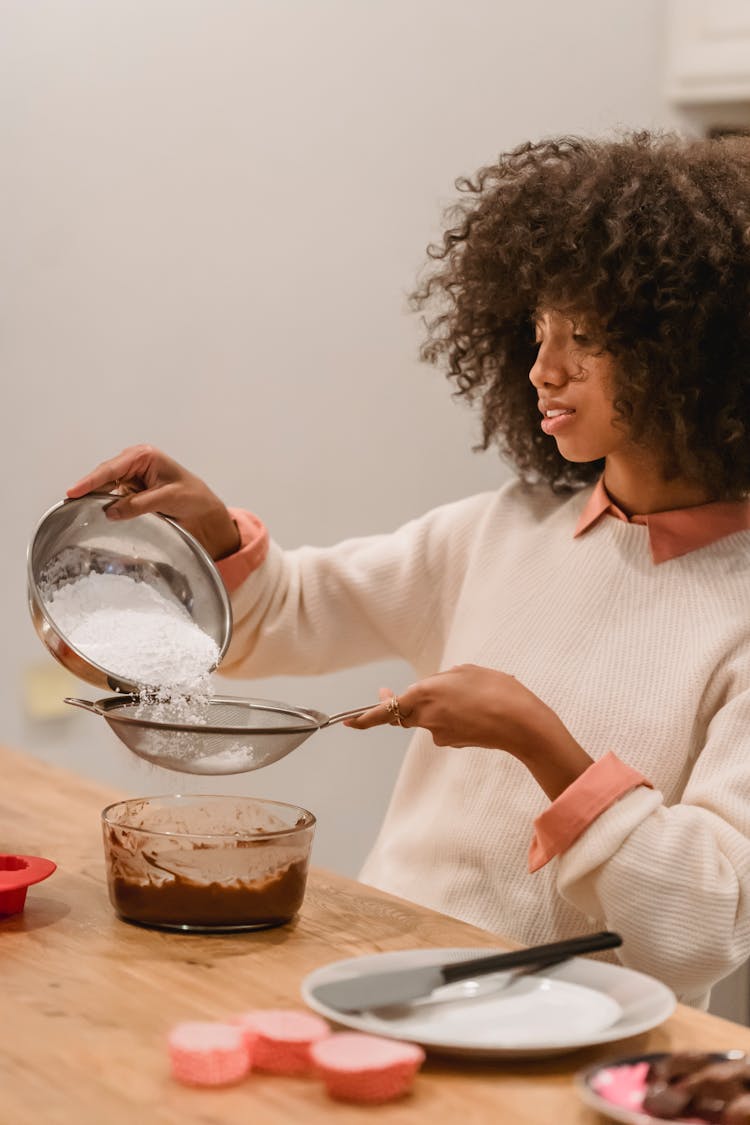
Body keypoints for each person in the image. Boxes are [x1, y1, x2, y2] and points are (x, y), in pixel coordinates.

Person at [68, 131, 750, 1008]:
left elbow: (705, 924)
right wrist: (212, 534)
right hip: (382, 993)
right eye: (537, 329)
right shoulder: (498, 531)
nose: (543, 368)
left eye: (585, 335)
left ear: (693, 353)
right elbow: (288, 613)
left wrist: (537, 740)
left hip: (572, 1047)